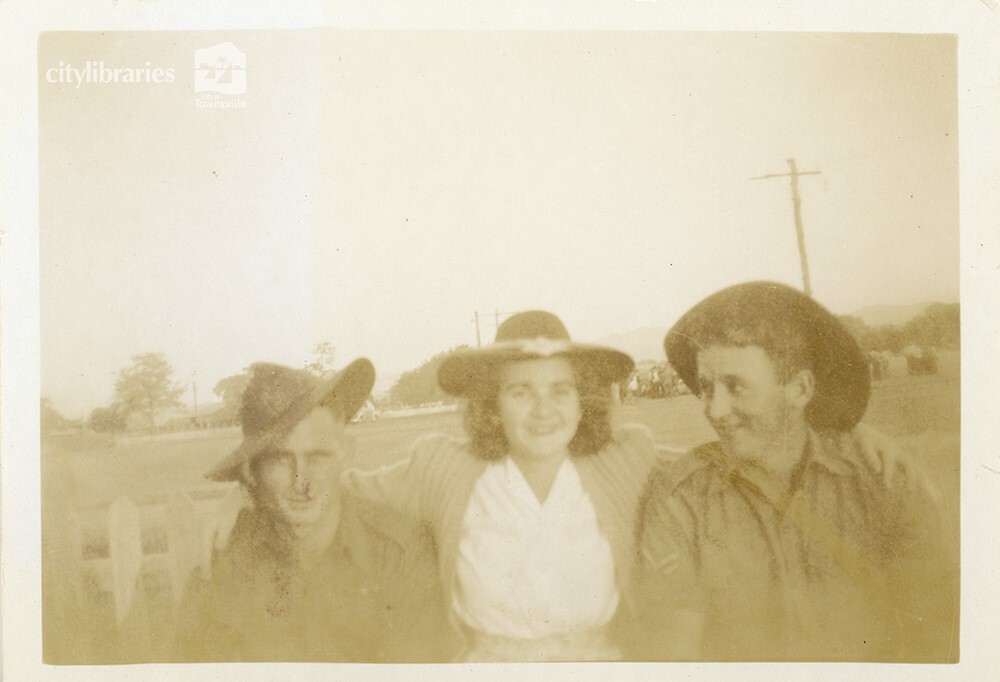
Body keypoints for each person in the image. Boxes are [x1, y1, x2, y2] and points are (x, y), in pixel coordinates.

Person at [633, 281, 958, 662]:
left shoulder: (883, 479)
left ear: (800, 389)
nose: (715, 410)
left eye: (736, 387)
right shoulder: (681, 500)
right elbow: (672, 656)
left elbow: (937, 633)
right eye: (706, 387)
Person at [341, 311, 662, 662]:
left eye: (560, 390)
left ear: (582, 401)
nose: (544, 410)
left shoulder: (626, 460)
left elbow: (708, 476)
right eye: (521, 391)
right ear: (492, 404)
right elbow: (338, 490)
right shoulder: (443, 468)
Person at [175, 360, 443, 662]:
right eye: (280, 459)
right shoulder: (228, 555)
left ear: (346, 453)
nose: (302, 484)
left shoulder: (401, 554)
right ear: (252, 471)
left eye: (317, 457)